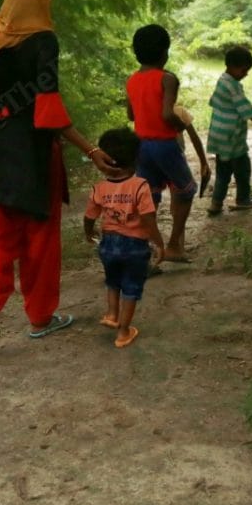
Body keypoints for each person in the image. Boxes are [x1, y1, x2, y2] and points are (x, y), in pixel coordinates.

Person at [0, 0, 115, 351]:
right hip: (34, 158)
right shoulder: (44, 40)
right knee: (39, 243)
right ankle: (41, 317)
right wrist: (90, 148)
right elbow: (48, 111)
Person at [83, 128, 165, 348]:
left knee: (113, 280)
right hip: (134, 246)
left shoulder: (99, 189)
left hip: (108, 245)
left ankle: (111, 313)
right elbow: (148, 220)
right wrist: (158, 243)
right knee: (131, 287)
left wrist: (88, 232)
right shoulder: (140, 186)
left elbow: (89, 216)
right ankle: (123, 332)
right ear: (137, 157)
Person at [125, 24, 198, 262]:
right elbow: (167, 114)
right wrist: (180, 125)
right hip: (165, 145)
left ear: (136, 53)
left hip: (141, 147)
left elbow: (131, 115)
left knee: (151, 197)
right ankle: (174, 245)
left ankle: (148, 250)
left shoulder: (132, 80)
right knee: (186, 189)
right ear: (165, 52)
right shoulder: (167, 79)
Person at [206, 45, 252, 214]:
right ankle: (243, 199)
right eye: (244, 70)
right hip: (232, 137)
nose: (246, 74)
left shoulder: (222, 80)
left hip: (219, 135)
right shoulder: (234, 87)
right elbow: (246, 109)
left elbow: (213, 102)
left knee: (222, 172)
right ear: (233, 67)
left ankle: (215, 204)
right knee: (243, 168)